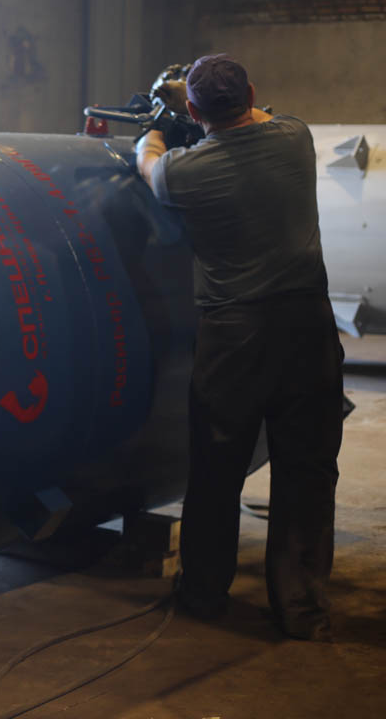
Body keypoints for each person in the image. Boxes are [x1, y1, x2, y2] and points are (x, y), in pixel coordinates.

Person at [135, 54, 344, 642]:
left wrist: (159, 126)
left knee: (216, 468)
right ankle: (301, 610)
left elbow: (149, 162)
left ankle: (203, 594)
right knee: (307, 470)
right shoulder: (296, 139)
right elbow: (265, 119)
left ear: (194, 108)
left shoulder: (184, 174)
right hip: (307, 327)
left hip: (234, 336)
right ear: (251, 92)